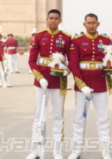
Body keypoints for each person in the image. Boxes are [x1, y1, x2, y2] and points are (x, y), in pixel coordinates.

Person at [68, 13, 112, 159]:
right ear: (84, 24)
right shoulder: (77, 41)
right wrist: (81, 85)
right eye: (89, 23)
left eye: (94, 23)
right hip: (83, 86)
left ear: (98, 24)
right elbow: (73, 65)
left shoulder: (106, 40)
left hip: (100, 84)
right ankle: (76, 150)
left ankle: (105, 152)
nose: (91, 25)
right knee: (79, 119)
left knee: (103, 119)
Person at [27, 9, 72, 159]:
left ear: (60, 20)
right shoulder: (39, 36)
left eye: (56, 18)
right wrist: (40, 77)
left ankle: (57, 150)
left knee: (58, 116)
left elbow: (72, 60)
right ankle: (36, 149)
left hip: (59, 80)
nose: (53, 21)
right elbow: (32, 60)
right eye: (51, 18)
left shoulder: (66, 38)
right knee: (39, 116)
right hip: (42, 81)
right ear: (46, 19)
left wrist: (67, 71)